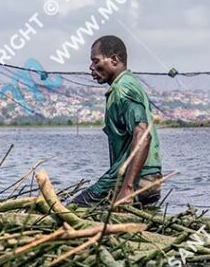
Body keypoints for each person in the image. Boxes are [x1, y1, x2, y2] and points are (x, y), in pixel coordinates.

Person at [69, 35, 163, 207]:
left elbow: (143, 135)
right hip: (149, 180)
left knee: (71, 210)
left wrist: (127, 189)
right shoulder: (128, 84)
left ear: (114, 59)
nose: (91, 67)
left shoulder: (123, 89)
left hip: (136, 180)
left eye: (96, 61)